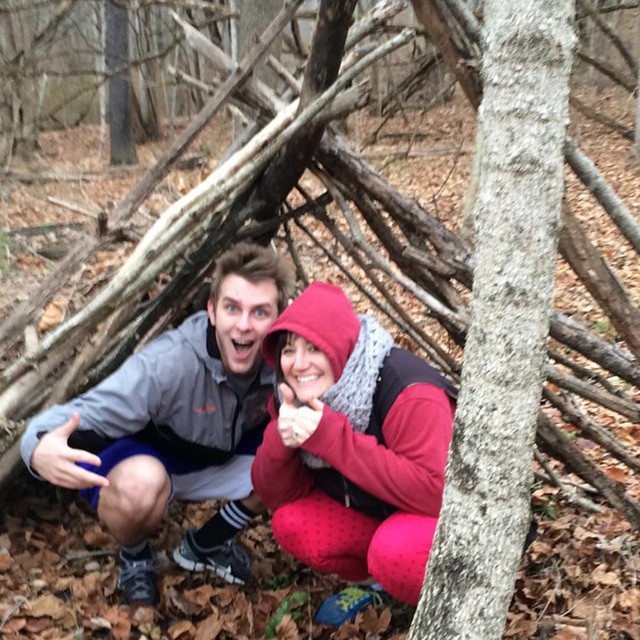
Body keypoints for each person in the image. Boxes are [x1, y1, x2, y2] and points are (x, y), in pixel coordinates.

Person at [20, 242, 295, 606]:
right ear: (212, 312)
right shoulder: (166, 365)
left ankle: (206, 544)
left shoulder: (288, 358)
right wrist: (36, 448)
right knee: (140, 487)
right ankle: (135, 554)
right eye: (232, 308)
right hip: (154, 459)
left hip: (224, 456)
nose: (243, 325)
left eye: (260, 312)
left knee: (295, 447)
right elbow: (70, 417)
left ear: (280, 317)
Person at [251, 281, 457, 627]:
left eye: (314, 348)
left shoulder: (409, 392)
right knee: (293, 523)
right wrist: (281, 437)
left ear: (341, 346)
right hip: (380, 511)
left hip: (450, 521)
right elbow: (276, 494)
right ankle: (379, 587)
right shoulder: (295, 396)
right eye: (288, 350)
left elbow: (438, 492)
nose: (299, 364)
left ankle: (453, 607)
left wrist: (331, 438)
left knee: (395, 554)